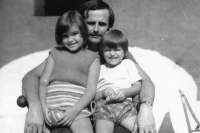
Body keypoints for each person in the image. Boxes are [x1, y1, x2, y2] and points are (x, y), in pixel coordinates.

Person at [22, 1, 156, 133]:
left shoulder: (116, 53)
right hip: (74, 117)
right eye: (91, 23)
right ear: (81, 24)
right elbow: (30, 76)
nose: (96, 29)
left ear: (108, 27)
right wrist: (35, 107)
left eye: (102, 24)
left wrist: (146, 108)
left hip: (110, 116)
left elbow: (146, 82)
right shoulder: (70, 51)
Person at [38, 10, 100, 133]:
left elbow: (91, 90)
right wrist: (43, 106)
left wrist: (74, 110)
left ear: (83, 33)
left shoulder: (92, 57)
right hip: (52, 109)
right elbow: (43, 82)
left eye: (75, 34)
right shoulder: (54, 53)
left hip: (77, 111)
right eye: (65, 36)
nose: (70, 39)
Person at [93, 29, 142, 133]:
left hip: (125, 106)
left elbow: (138, 86)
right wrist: (103, 92)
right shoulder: (99, 68)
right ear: (102, 52)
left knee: (141, 129)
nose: (112, 54)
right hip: (103, 107)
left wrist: (125, 92)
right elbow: (92, 95)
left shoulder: (128, 64)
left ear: (124, 51)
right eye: (107, 50)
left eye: (116, 50)